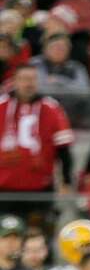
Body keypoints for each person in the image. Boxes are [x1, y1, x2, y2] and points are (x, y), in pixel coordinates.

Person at [0, 64, 73, 229]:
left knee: (40, 238)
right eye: (24, 79)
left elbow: (63, 148)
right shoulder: (1, 105)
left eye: (33, 79)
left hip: (39, 188)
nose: (29, 84)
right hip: (3, 189)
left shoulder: (51, 107)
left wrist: (66, 181)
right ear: (15, 81)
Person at [30, 31, 90, 128]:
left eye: (63, 48)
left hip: (70, 116)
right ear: (45, 49)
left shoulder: (76, 67)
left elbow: (85, 91)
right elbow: (36, 88)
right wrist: (68, 89)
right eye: (55, 47)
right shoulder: (35, 64)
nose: (59, 50)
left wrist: (59, 81)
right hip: (39, 116)